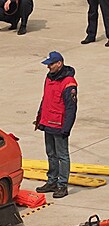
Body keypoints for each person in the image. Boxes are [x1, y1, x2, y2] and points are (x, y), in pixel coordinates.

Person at [34, 51, 78, 199]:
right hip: (48, 123)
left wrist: (67, 128)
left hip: (59, 125)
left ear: (59, 63)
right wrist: (40, 118)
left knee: (62, 155)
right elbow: (45, 99)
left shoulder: (68, 82)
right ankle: (52, 181)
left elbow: (71, 108)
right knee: (51, 154)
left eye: (51, 64)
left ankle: (62, 185)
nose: (48, 67)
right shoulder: (49, 78)